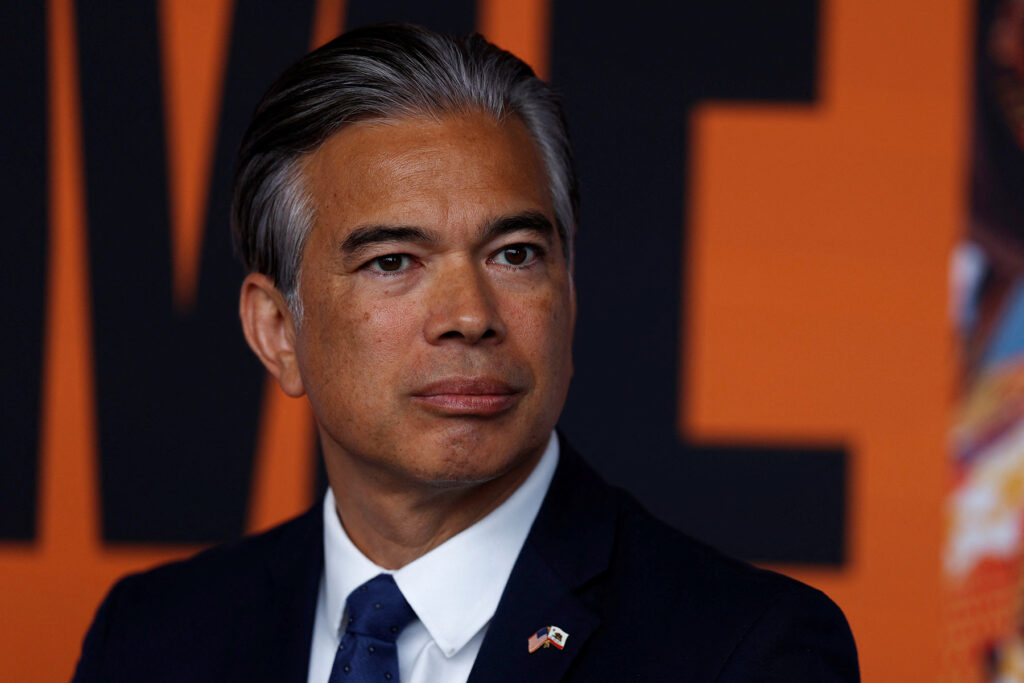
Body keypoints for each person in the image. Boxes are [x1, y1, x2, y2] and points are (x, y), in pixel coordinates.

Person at [73, 23, 859, 682]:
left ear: (571, 293)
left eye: (515, 254)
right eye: (393, 262)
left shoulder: (747, 650)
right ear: (278, 331)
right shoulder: (149, 640)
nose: (469, 317)